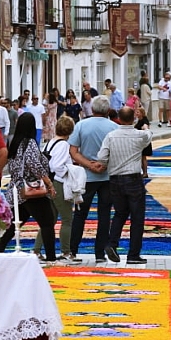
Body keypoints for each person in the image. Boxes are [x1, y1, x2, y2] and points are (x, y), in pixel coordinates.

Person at [0, 112, 59, 262]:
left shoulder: (14, 142)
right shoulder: (29, 142)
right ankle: (51, 257)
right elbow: (34, 164)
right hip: (31, 189)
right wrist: (48, 183)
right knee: (47, 223)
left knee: (13, 224)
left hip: (17, 190)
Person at [94, 106, 153, 265]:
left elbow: (101, 156)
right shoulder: (140, 135)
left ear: (119, 119)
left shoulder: (111, 136)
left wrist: (106, 163)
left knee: (120, 213)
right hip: (133, 178)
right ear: (134, 119)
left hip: (115, 179)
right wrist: (146, 126)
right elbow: (148, 135)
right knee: (137, 217)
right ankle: (133, 254)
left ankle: (112, 243)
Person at [68, 95, 117, 264]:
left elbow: (73, 151)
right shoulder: (114, 127)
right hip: (107, 176)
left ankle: (73, 250)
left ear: (93, 109)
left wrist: (89, 165)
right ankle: (99, 253)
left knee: (80, 215)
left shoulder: (81, 125)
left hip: (86, 177)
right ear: (108, 110)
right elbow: (116, 153)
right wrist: (103, 164)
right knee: (104, 215)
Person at [35, 115, 80, 263]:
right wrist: (69, 171)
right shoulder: (64, 145)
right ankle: (66, 252)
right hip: (59, 183)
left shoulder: (50, 143)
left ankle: (37, 250)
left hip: (49, 183)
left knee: (49, 220)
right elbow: (57, 166)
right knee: (67, 219)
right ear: (70, 131)